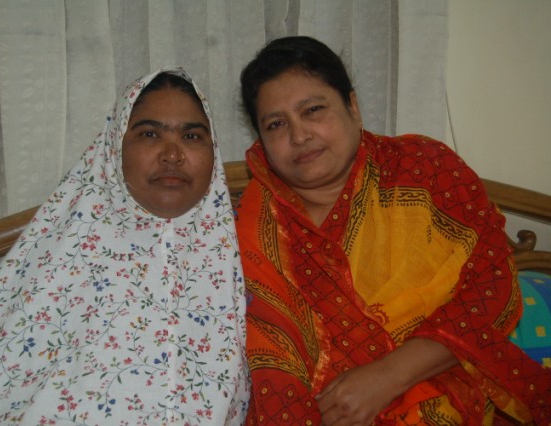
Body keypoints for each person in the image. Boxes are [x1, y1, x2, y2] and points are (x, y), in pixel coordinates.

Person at [235, 36, 551, 425]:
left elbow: (493, 289)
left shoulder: (425, 171)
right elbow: (269, 354)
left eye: (313, 110)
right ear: (262, 141)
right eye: (276, 124)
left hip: (445, 393)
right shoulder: (255, 220)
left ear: (352, 106)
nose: (299, 136)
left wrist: (388, 377)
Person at [0, 68, 250, 425]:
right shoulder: (57, 269)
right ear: (114, 148)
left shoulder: (249, 258)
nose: (172, 154)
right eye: (150, 133)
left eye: (192, 135)